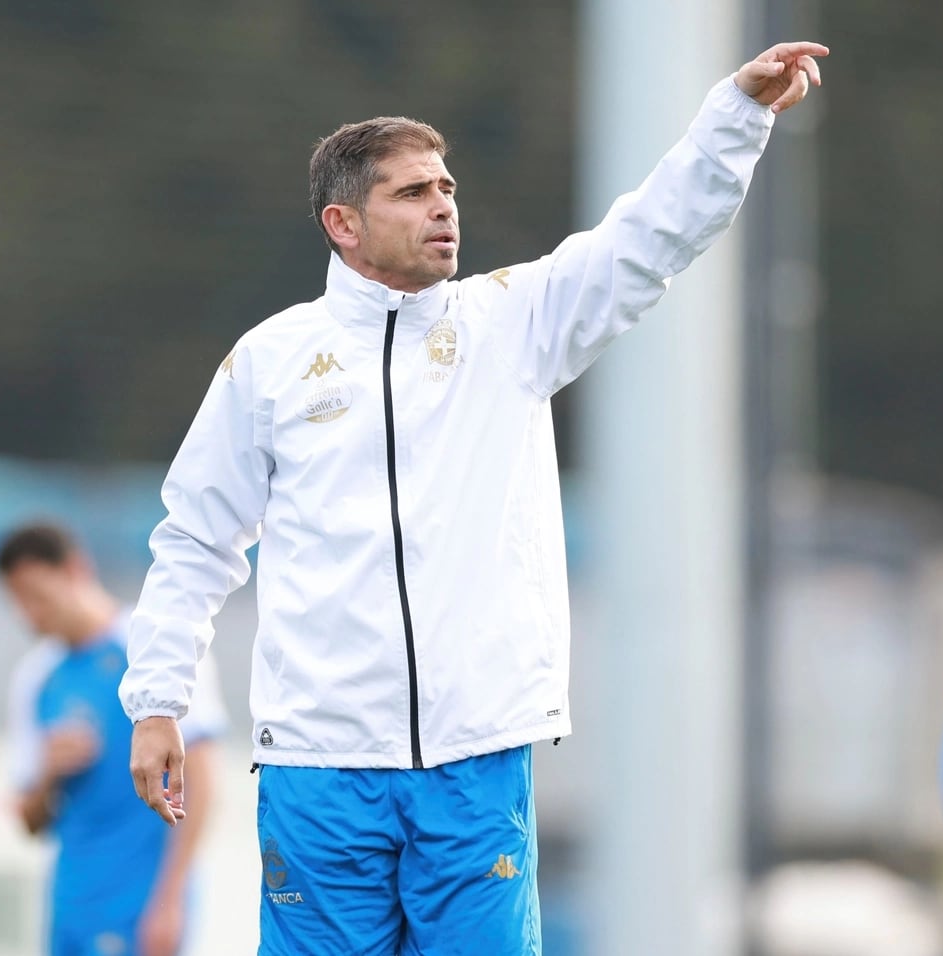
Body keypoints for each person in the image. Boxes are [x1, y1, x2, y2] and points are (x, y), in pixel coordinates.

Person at [120, 41, 829, 954]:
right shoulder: (270, 361)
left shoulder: (512, 321)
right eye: (412, 193)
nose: (444, 207)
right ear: (343, 222)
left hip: (475, 760)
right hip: (318, 767)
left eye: (446, 188)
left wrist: (738, 114)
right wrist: (156, 699)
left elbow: (648, 238)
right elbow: (196, 539)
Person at [0, 523, 226, 956]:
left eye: (36, 595)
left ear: (75, 570)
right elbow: (28, 820)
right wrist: (48, 773)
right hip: (71, 903)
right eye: (17, 600)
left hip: (143, 903)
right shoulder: (35, 676)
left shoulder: (154, 654)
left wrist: (171, 900)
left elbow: (204, 783)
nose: (29, 613)